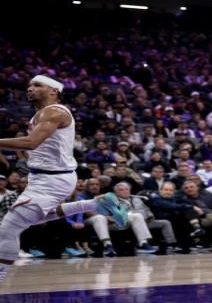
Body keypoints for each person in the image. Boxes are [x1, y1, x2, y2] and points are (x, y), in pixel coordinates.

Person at [0, 75, 127, 282]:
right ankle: (97, 203)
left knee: (9, 227)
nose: (30, 88)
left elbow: (31, 142)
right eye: (30, 85)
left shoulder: (54, 112)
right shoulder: (41, 114)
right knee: (34, 218)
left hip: (53, 179)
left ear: (54, 91)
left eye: (37, 85)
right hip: (45, 177)